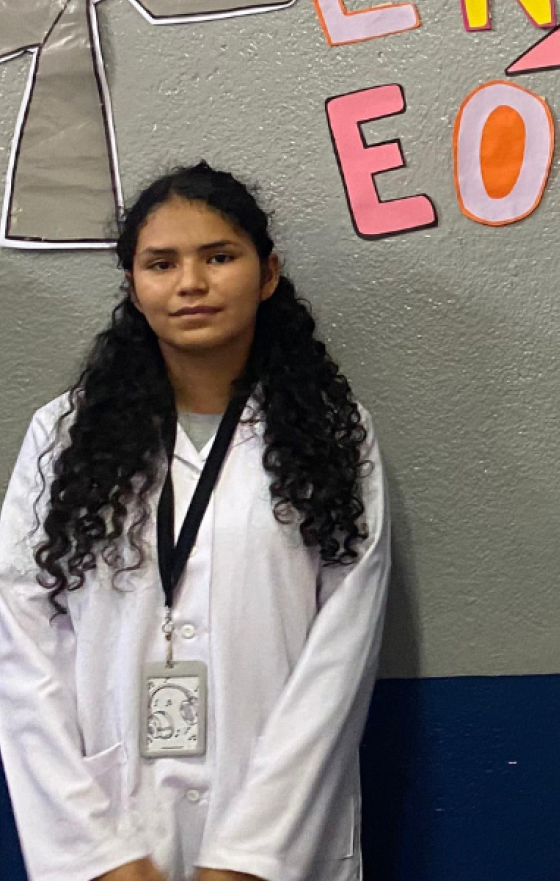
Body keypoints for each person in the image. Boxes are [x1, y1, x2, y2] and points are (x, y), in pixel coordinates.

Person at [0, 163, 391, 881]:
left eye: (219, 257)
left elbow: (341, 654)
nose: (190, 283)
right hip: (111, 826)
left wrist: (253, 857)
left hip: (281, 837)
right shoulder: (63, 438)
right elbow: (20, 649)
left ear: (267, 274)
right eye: (161, 263)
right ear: (132, 285)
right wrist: (96, 854)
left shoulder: (335, 435)